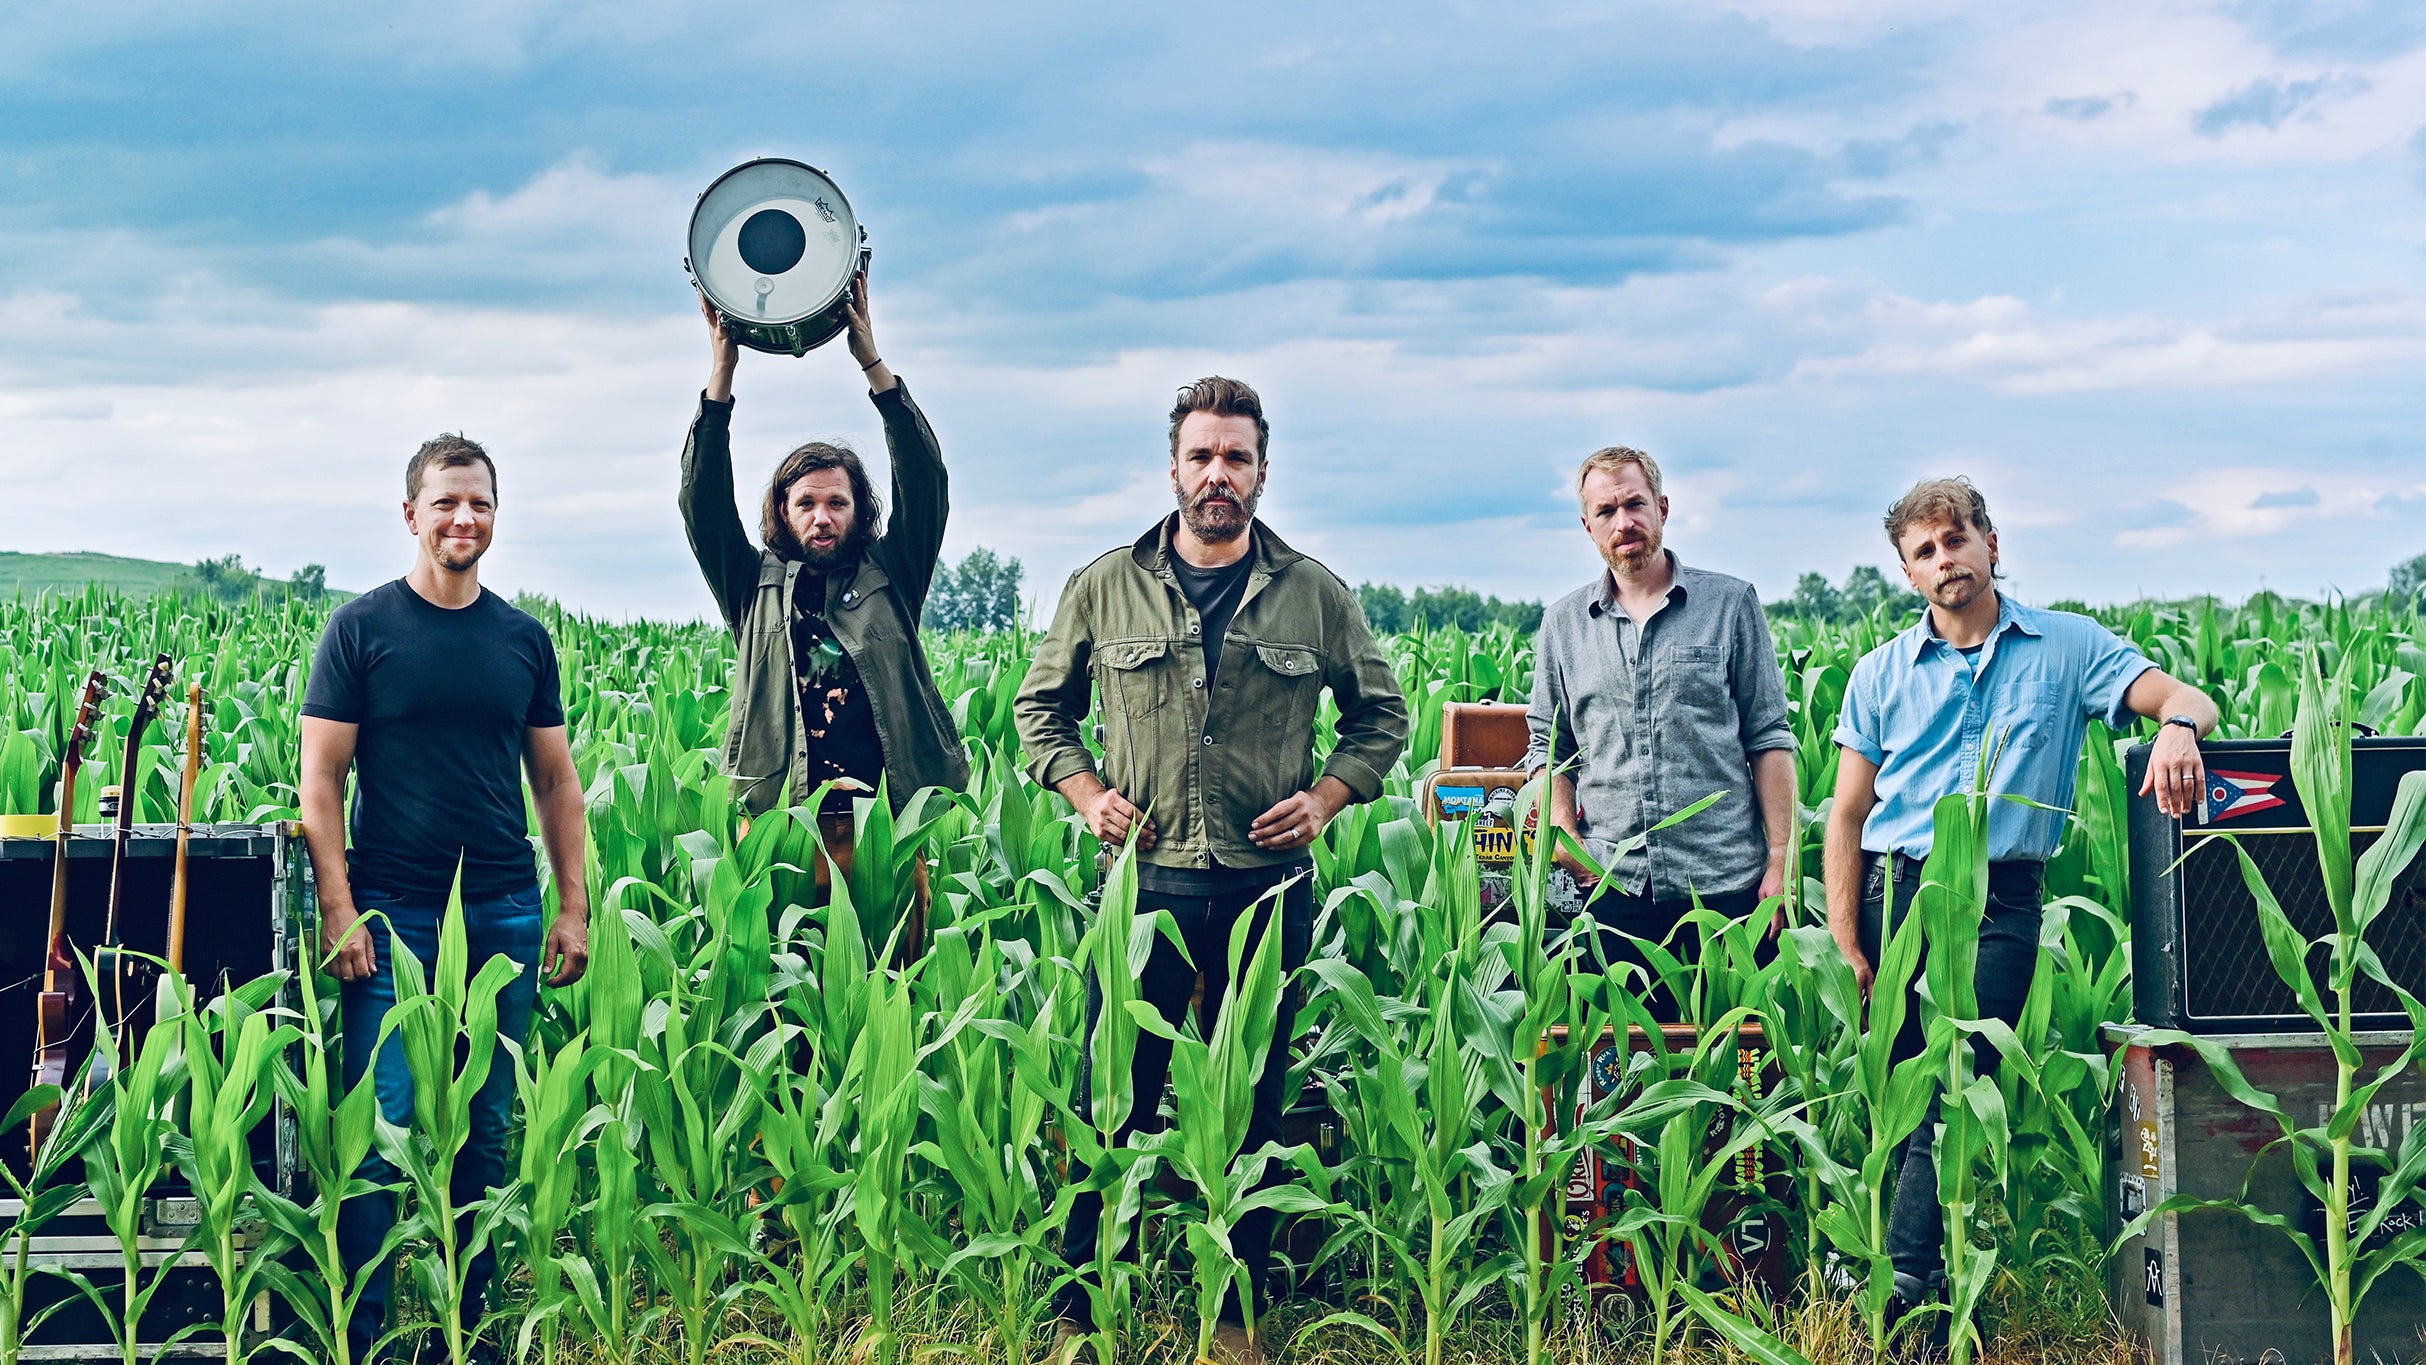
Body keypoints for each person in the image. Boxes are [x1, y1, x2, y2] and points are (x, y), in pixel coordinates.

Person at [1015, 376, 1410, 1364]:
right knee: (1114, 1096)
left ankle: (1232, 1319)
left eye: (1235, 457)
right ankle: (1079, 1308)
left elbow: (1381, 716)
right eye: (1201, 456)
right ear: (1175, 468)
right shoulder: (1105, 584)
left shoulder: (1312, 593)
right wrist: (1084, 794)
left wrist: (1325, 799)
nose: (1218, 474)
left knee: (1253, 1107)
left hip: (1262, 887)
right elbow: (1038, 712)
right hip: (1142, 890)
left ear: (1262, 470)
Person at [1825, 476, 2217, 1333]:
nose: (1945, 559)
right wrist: (1846, 935)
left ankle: (1907, 1313)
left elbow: (2185, 697)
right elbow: (1847, 814)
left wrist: (2179, 728)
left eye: (1956, 540)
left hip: (2001, 897)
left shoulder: (2069, 648)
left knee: (1953, 1090)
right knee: (1901, 1099)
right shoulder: (1880, 672)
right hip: (1901, 893)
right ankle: (1932, 1296)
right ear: (1907, 572)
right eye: (1924, 551)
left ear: (1991, 545)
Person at [299, 435, 591, 1363]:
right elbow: (321, 780)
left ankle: (476, 1329)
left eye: (480, 504)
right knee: (380, 1132)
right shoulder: (361, 631)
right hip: (391, 917)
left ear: (495, 517)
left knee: (488, 1131)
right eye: (447, 503)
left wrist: (572, 904)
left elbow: (554, 782)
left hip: (502, 913)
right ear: (412, 514)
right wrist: (340, 908)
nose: (464, 519)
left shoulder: (521, 640)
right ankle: (373, 1333)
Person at [679, 271, 968, 952]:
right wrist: (721, 375)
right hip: (785, 827)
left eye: (836, 501)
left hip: (883, 825)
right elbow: (703, 505)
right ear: (782, 510)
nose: (821, 514)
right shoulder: (754, 586)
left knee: (896, 985)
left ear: (858, 509)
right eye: (804, 501)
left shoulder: (891, 577)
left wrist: (873, 363)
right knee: (790, 995)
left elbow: (926, 482)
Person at [1524, 446, 1797, 1017]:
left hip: (1727, 888)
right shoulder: (1564, 624)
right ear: (1588, 526)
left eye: (1634, 504)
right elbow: (1549, 747)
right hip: (1612, 890)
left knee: (1735, 1069)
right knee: (1618, 1072)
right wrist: (1564, 836)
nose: (1623, 522)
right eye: (1606, 511)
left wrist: (1781, 864)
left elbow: (1769, 738)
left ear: (1662, 508)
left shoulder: (1729, 604)